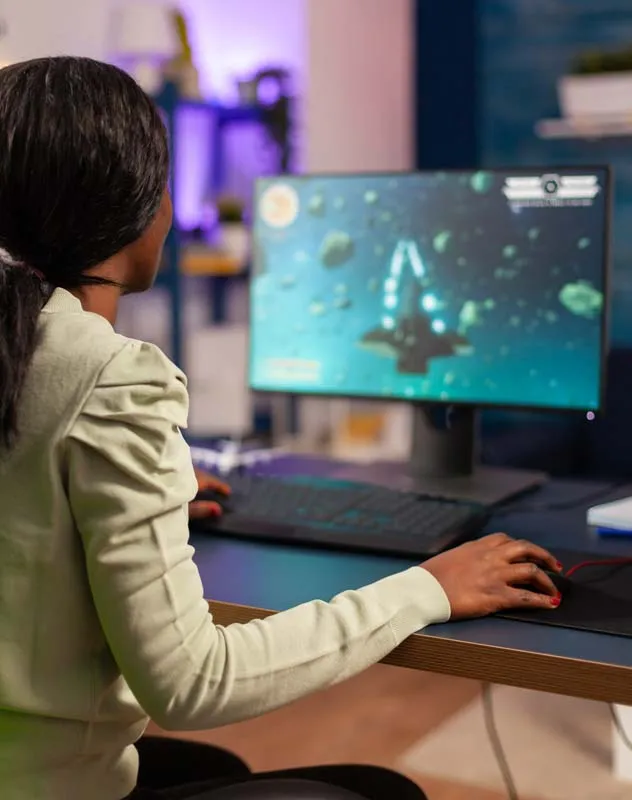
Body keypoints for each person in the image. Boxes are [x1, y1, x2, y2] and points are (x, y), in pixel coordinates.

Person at [0, 56, 562, 800]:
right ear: (144, 207)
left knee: (219, 774)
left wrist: (147, 494)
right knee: (381, 791)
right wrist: (425, 588)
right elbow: (192, 683)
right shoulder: (114, 377)